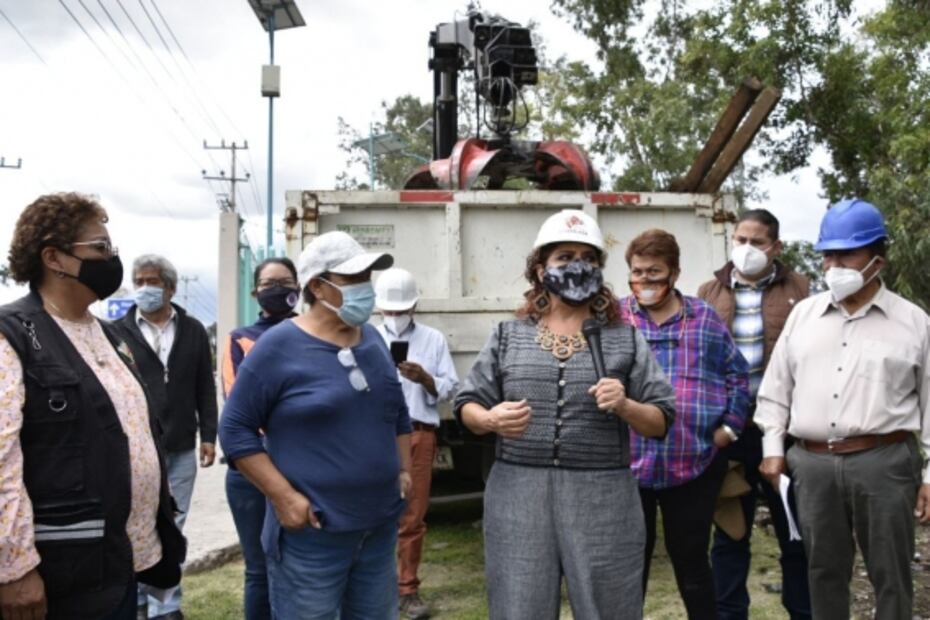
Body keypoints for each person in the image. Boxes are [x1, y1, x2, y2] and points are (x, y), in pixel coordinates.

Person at [454, 209, 677, 619]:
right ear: (541, 269)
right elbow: (467, 401)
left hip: (603, 497)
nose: (578, 266)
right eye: (564, 257)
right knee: (519, 606)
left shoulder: (624, 338)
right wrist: (488, 420)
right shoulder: (508, 336)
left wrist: (626, 405)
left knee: (609, 606)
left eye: (589, 258)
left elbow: (662, 418)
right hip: (518, 492)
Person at [0, 193, 185, 620]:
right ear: (55, 258)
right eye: (100, 249)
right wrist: (14, 568)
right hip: (60, 572)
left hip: (118, 563)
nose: (111, 259)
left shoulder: (110, 335)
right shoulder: (14, 337)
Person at [219, 231, 412, 619]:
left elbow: (395, 409)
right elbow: (235, 429)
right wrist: (284, 498)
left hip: (377, 529)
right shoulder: (278, 347)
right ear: (317, 286)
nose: (365, 288)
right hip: (313, 535)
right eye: (352, 279)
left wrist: (404, 467)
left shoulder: (371, 339)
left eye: (366, 278)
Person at [756, 198, 930, 620]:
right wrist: (773, 448)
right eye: (827, 254)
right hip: (812, 463)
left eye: (846, 253)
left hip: (884, 461)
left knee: (890, 573)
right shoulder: (804, 317)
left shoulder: (913, 323)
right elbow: (775, 389)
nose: (833, 264)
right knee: (823, 571)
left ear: (877, 257)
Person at [618, 228, 750, 619]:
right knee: (628, 566)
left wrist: (729, 429)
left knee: (692, 564)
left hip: (693, 463)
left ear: (675, 273)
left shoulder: (704, 318)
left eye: (654, 272)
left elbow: (737, 376)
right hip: (628, 466)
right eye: (637, 272)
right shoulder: (615, 319)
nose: (644, 281)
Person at [698, 209, 812, 620]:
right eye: (740, 239)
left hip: (784, 432)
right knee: (730, 534)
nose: (747, 249)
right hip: (730, 432)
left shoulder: (803, 290)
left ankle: (803, 611)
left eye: (757, 242)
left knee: (796, 534)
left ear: (775, 247)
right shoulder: (709, 293)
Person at [114, 254, 217, 619]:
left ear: (171, 287)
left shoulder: (192, 331)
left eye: (152, 281)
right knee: (137, 527)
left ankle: (166, 607)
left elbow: (205, 385)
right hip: (134, 451)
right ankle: (138, 603)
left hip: (180, 448)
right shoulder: (116, 332)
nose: (145, 288)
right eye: (139, 281)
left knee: (173, 529)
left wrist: (209, 434)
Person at [374, 267, 459, 620]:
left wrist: (425, 378)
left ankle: (407, 589)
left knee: (412, 516)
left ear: (414, 306)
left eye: (400, 310)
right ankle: (374, 589)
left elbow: (451, 387)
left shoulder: (433, 339)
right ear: (379, 309)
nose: (395, 318)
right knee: (372, 514)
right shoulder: (365, 337)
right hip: (375, 436)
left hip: (419, 432)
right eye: (389, 311)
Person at [221, 257, 300, 620]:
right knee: (258, 568)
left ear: (299, 289)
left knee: (300, 565)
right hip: (251, 470)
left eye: (285, 282)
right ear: (255, 293)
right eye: (269, 284)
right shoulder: (240, 339)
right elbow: (238, 406)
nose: (277, 290)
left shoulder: (311, 335)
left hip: (302, 467)